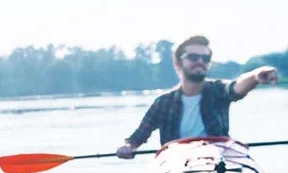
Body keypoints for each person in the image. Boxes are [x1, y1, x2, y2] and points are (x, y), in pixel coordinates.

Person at [116, 35, 279, 159]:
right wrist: (127, 147)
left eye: (205, 58)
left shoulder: (218, 91)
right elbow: (136, 138)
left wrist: (256, 76)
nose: (200, 61)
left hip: (218, 159)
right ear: (178, 63)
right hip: (176, 163)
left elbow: (236, 87)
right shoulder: (163, 103)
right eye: (193, 57)